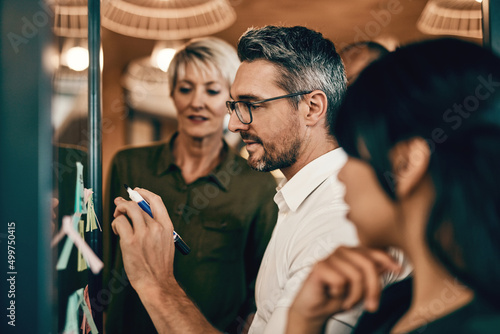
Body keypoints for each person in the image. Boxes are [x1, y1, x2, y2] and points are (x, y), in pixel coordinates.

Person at [111, 25, 408, 334]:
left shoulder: (335, 221)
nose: (234, 123)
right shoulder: (298, 198)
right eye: (234, 106)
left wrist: (155, 283)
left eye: (251, 105)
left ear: (312, 107)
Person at [287, 38, 500, 333]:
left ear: (405, 164)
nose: (341, 175)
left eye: (351, 152)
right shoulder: (390, 306)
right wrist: (304, 322)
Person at [104, 37, 278, 334]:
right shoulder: (129, 164)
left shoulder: (257, 184)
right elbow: (106, 259)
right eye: (186, 88)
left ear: (230, 101)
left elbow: (259, 290)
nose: (197, 102)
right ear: (172, 94)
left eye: (211, 90)